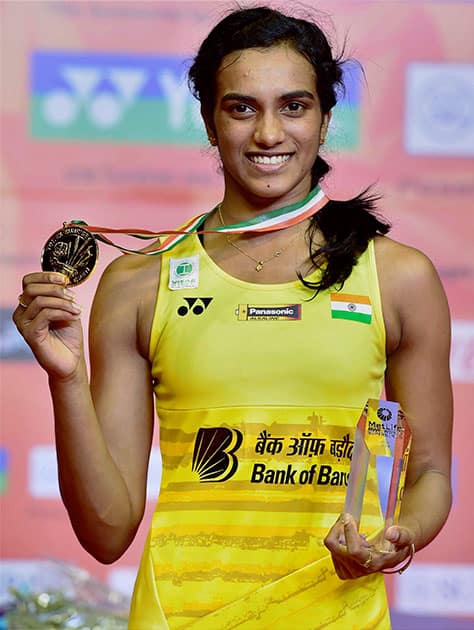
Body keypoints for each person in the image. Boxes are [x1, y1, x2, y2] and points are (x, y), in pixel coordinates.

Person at [13, 5, 452, 629]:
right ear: (209, 121)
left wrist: (401, 531)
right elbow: (107, 532)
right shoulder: (141, 281)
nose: (269, 133)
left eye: (294, 106)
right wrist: (66, 379)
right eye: (242, 107)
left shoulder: (399, 276)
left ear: (326, 120)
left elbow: (430, 471)